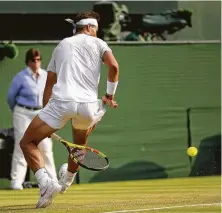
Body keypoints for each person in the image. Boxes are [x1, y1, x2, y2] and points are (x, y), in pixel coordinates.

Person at [19, 11, 119, 208]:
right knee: (79, 146)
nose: (97, 33)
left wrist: (46, 115)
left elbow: (50, 82)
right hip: (89, 107)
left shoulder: (62, 44)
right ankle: (66, 182)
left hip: (61, 104)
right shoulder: (100, 45)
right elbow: (114, 67)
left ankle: (46, 184)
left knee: (27, 142)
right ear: (90, 27)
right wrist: (109, 95)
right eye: (96, 29)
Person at [7, 48, 58, 190]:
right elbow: (11, 97)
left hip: (41, 113)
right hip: (22, 112)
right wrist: (18, 111)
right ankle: (16, 182)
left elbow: (50, 94)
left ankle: (52, 180)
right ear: (28, 62)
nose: (36, 63)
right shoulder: (20, 77)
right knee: (21, 145)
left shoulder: (45, 76)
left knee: (45, 147)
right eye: (33, 60)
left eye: (38, 60)